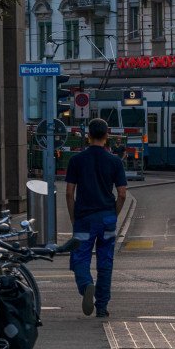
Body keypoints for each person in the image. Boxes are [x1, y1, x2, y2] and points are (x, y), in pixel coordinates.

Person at [65, 117, 128, 318]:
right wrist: (113, 214)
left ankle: (86, 285)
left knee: (80, 258)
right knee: (105, 262)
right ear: (107, 136)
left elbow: (69, 192)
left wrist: (74, 218)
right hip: (107, 218)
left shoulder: (76, 160)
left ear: (88, 136)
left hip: (84, 218)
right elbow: (122, 194)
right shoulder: (115, 161)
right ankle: (102, 306)